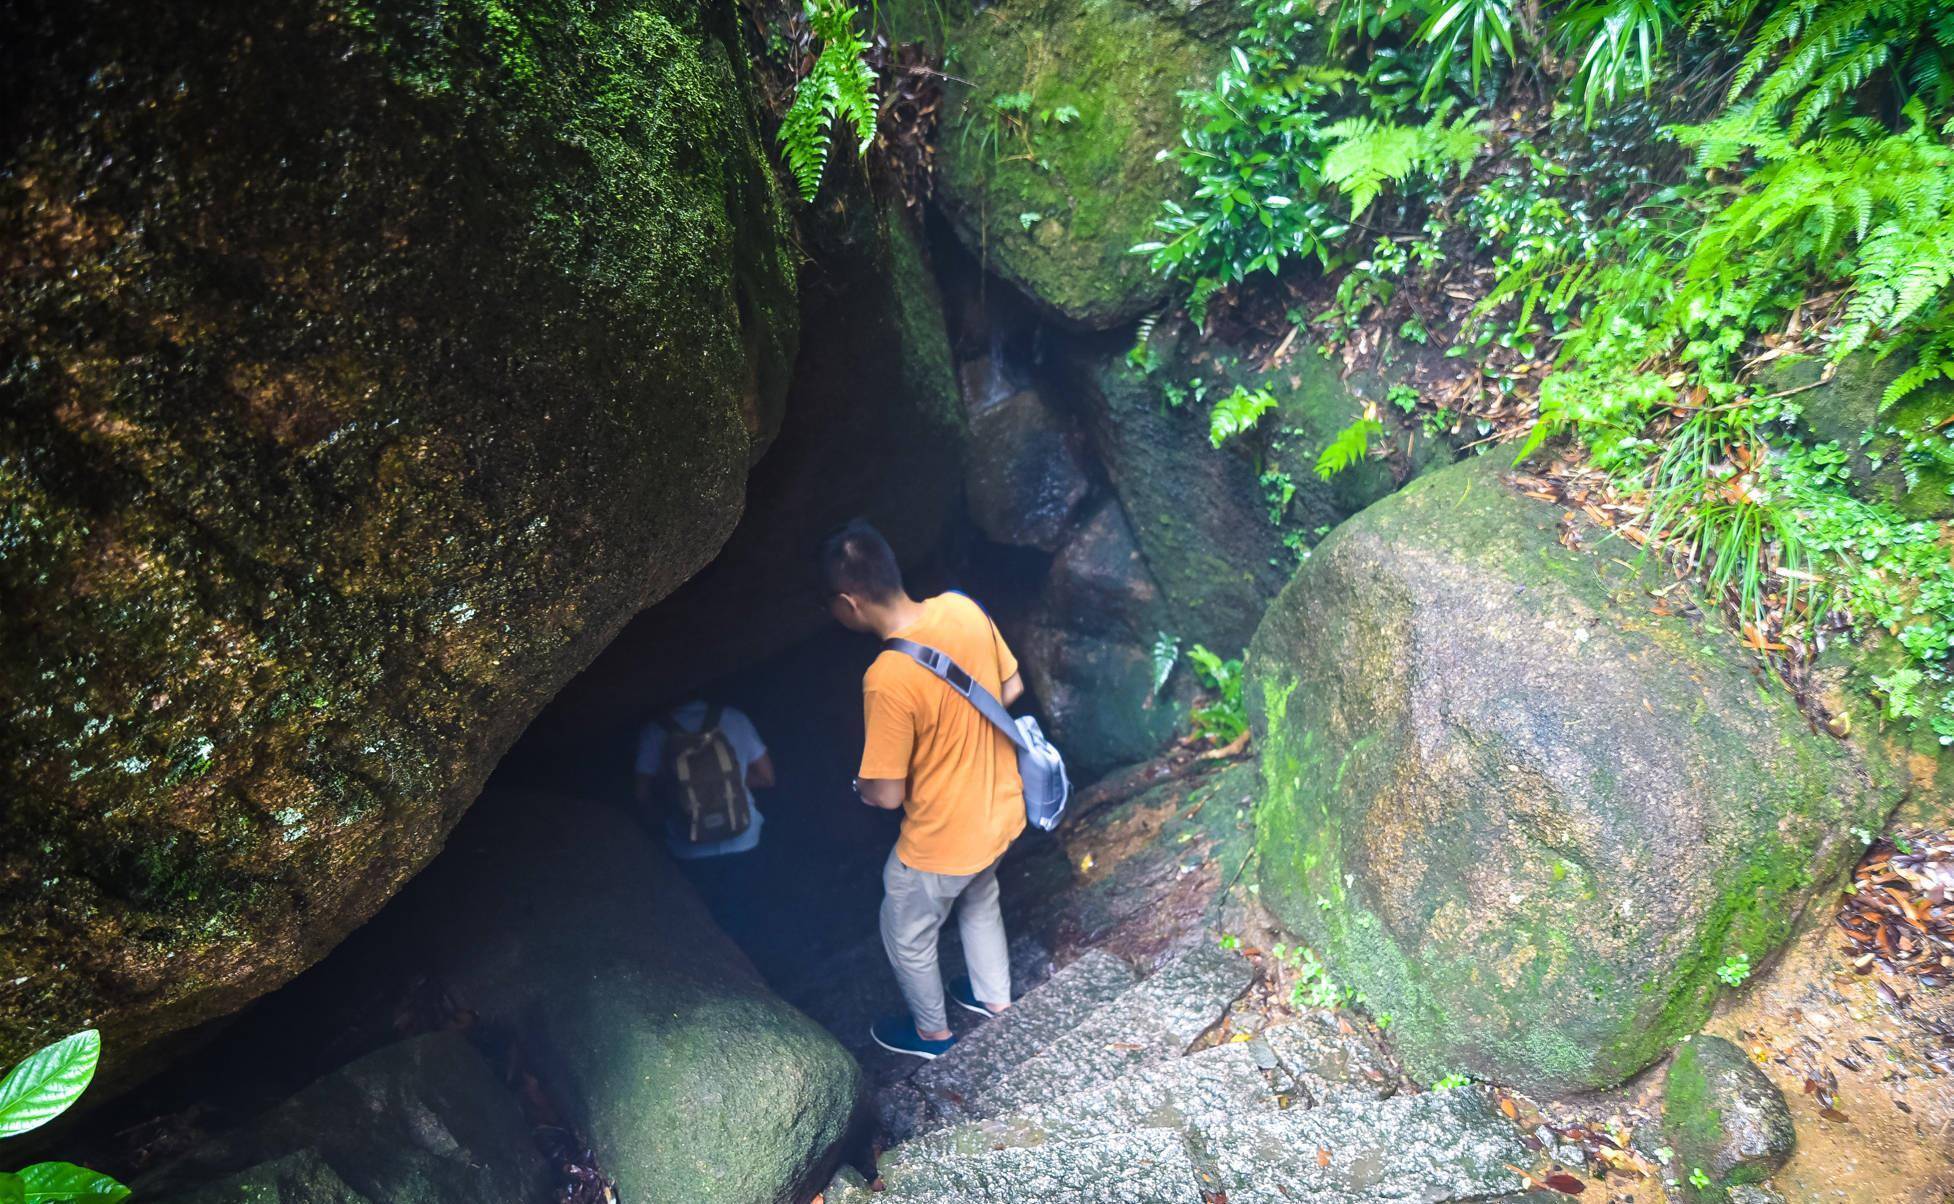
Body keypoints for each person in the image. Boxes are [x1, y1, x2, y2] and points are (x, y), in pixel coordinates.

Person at [820, 519, 1025, 1059]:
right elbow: (1012, 686)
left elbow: (886, 794)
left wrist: (860, 784)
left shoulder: (886, 677)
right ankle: (996, 1002)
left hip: (940, 842)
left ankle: (934, 1036)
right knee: (982, 899)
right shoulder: (962, 608)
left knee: (906, 930)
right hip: (1000, 808)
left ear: (849, 603)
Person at [634, 699, 775, 860]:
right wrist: (733, 782)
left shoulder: (654, 730)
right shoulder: (735, 718)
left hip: (688, 846)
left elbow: (643, 795)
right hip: (744, 839)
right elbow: (766, 778)